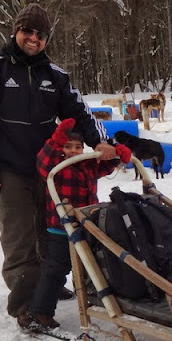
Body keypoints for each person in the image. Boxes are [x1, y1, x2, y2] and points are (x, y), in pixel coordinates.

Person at [0, 3, 117, 327]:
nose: (33, 38)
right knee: (19, 238)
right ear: (16, 31)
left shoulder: (54, 76)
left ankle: (47, 288)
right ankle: (26, 306)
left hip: (49, 171)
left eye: (40, 34)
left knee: (50, 235)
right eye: (27, 31)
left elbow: (81, 111)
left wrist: (102, 142)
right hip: (8, 168)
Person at [21, 118, 131, 329]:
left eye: (78, 147)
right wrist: (56, 140)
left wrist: (118, 154)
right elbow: (43, 162)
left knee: (94, 264)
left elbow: (106, 166)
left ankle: (103, 299)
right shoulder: (56, 166)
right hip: (61, 227)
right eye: (67, 146)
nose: (73, 151)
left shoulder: (87, 165)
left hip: (86, 225)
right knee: (56, 269)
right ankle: (40, 312)